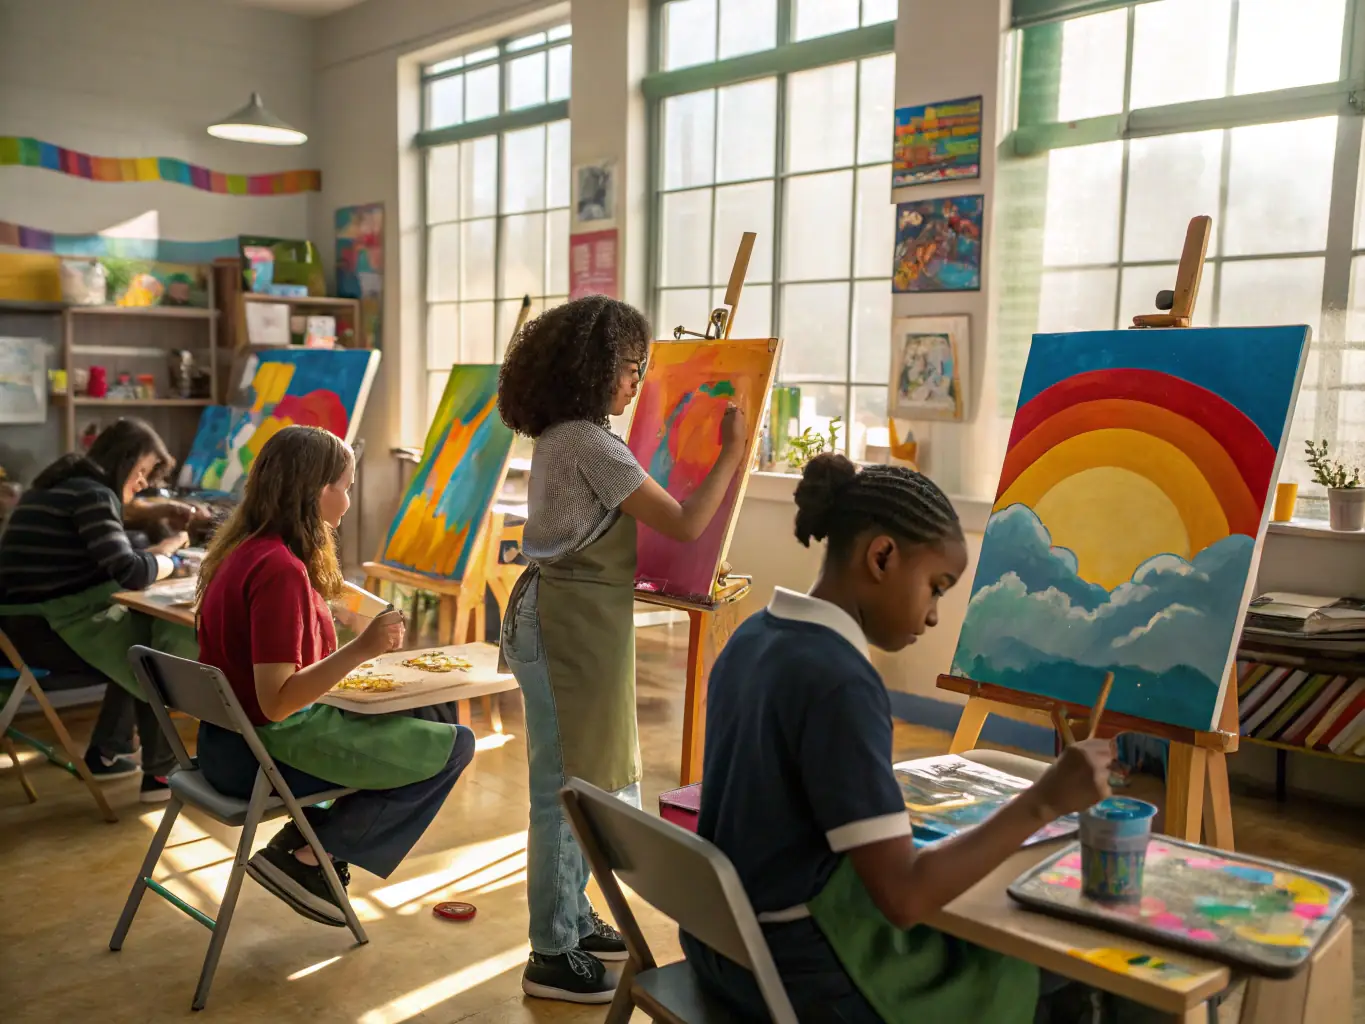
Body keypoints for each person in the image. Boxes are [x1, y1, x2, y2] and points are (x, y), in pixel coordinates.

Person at [681, 453, 1118, 1024]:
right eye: (936, 588)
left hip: (725, 950)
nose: (935, 615)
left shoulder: (754, 637)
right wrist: (1045, 801)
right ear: (883, 556)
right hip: (806, 974)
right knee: (1069, 973)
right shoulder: (839, 682)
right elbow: (906, 898)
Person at [497, 295, 748, 1003]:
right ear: (593, 368)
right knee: (561, 790)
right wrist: (732, 453)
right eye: (630, 367)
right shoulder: (587, 442)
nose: (636, 380)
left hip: (570, 620)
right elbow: (687, 522)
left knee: (581, 778)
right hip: (563, 627)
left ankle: (573, 920)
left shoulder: (565, 436)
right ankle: (550, 950)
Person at [194, 425, 475, 926]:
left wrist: (346, 609)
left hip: (226, 742)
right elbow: (277, 702)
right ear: (316, 490)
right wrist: (363, 649)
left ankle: (307, 843)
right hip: (260, 753)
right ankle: (309, 856)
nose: (348, 500)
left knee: (433, 708)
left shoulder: (247, 549)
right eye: (345, 486)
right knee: (457, 744)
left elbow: (318, 597)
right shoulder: (280, 570)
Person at [0, 418, 193, 802]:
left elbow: (113, 562)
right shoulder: (91, 494)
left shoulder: (57, 487)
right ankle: (159, 772)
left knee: (138, 638)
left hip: (16, 628)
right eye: (140, 472)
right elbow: (132, 572)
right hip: (43, 630)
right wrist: (172, 554)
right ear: (121, 461)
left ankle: (111, 750)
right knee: (151, 650)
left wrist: (153, 555)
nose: (142, 483)